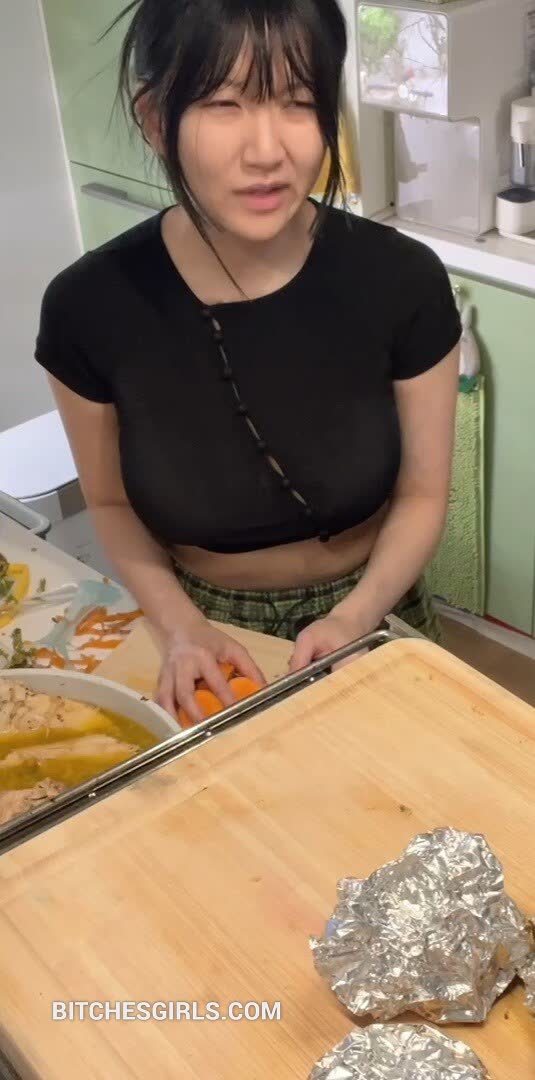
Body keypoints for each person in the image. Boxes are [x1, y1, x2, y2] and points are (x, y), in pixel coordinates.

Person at [35, 0, 461, 723]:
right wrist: (181, 628)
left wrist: (356, 616)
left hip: (375, 606)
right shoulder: (90, 306)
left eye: (297, 101)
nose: (267, 150)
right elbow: (109, 504)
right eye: (224, 103)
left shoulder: (402, 279)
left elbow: (422, 494)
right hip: (199, 630)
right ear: (155, 119)